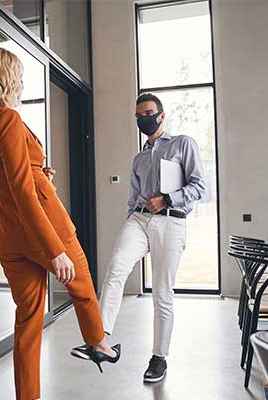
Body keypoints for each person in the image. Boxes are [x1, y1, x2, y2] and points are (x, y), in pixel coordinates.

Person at [0, 48, 120, 400]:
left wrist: (40, 175)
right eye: (17, 75)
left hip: (8, 236)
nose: (20, 82)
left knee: (28, 320)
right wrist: (54, 250)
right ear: (5, 78)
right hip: (46, 228)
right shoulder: (8, 120)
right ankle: (98, 344)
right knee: (82, 286)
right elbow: (21, 190)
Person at [76, 93, 206, 384]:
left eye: (147, 113)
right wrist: (133, 219)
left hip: (171, 222)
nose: (142, 119)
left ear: (161, 115)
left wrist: (169, 199)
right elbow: (133, 197)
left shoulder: (182, 144)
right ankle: (100, 341)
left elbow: (200, 187)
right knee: (115, 269)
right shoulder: (139, 158)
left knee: (162, 293)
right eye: (137, 116)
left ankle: (159, 358)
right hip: (139, 219)